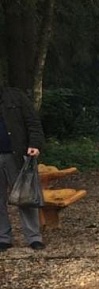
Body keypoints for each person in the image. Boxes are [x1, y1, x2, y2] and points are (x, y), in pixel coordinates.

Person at [0, 86, 45, 251]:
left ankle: (33, 237)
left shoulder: (16, 96)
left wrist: (34, 144)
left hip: (16, 155)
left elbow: (33, 122)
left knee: (25, 197)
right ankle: (3, 238)